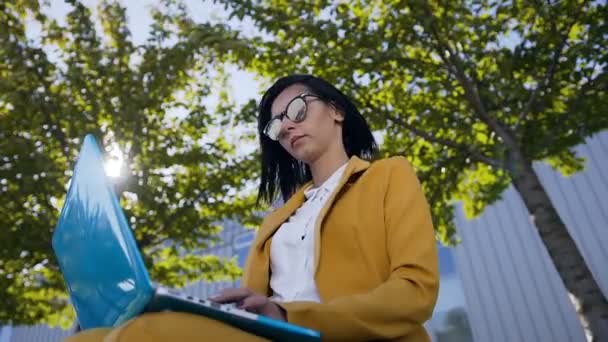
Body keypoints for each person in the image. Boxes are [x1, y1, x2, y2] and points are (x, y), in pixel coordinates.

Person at [68, 74, 439, 342]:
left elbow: (414, 292)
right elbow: (248, 311)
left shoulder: (388, 176)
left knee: (145, 336)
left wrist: (287, 316)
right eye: (277, 126)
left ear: (336, 109)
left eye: (297, 110)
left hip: (347, 338)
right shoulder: (276, 223)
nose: (287, 127)